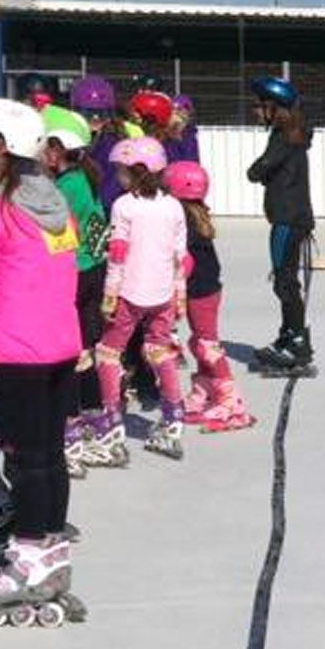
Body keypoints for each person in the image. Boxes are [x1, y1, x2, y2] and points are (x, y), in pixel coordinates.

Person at [0, 98, 85, 627]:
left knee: (26, 459)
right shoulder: (52, 199)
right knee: (49, 455)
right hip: (58, 344)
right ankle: (50, 553)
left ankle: (26, 559)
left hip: (16, 348)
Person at [96, 137, 188, 462]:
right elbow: (181, 257)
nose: (117, 177)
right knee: (161, 350)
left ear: (134, 172)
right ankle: (174, 420)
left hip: (129, 294)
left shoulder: (124, 206)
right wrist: (180, 298)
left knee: (108, 353)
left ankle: (111, 425)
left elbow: (117, 254)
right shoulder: (173, 206)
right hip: (163, 294)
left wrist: (109, 296)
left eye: (120, 171)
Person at [40, 105, 116, 474]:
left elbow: (54, 238)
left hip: (75, 274)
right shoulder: (85, 177)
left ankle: (70, 431)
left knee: (70, 353)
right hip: (92, 271)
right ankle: (96, 421)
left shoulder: (66, 188)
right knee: (86, 350)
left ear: (56, 149)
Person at [168, 161, 254, 433]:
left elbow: (187, 260)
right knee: (200, 341)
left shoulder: (184, 219)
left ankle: (232, 402)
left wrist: (173, 283)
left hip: (200, 291)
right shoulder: (194, 213)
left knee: (206, 344)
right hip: (205, 288)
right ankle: (205, 390)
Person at [248, 76, 316, 375]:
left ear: (274, 108)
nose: (255, 111)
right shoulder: (291, 135)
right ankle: (290, 334)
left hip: (287, 219)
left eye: (260, 106)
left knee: (284, 281)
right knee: (285, 279)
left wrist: (259, 172)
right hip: (292, 217)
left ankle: (297, 342)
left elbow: (258, 169)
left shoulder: (284, 137)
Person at [70, 75, 126, 210]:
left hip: (103, 213)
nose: (95, 118)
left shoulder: (114, 144)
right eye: (88, 113)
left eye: (101, 113)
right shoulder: (69, 141)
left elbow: (113, 187)